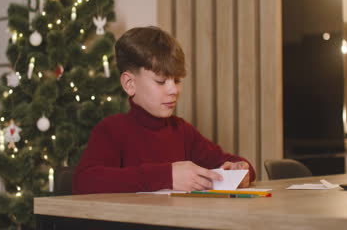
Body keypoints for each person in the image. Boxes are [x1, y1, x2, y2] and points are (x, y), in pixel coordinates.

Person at [72, 26, 256, 194]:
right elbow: (84, 182)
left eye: (177, 81)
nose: (173, 90)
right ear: (129, 84)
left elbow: (226, 161)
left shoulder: (182, 131)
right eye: (160, 81)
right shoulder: (112, 130)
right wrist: (168, 176)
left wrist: (241, 169)